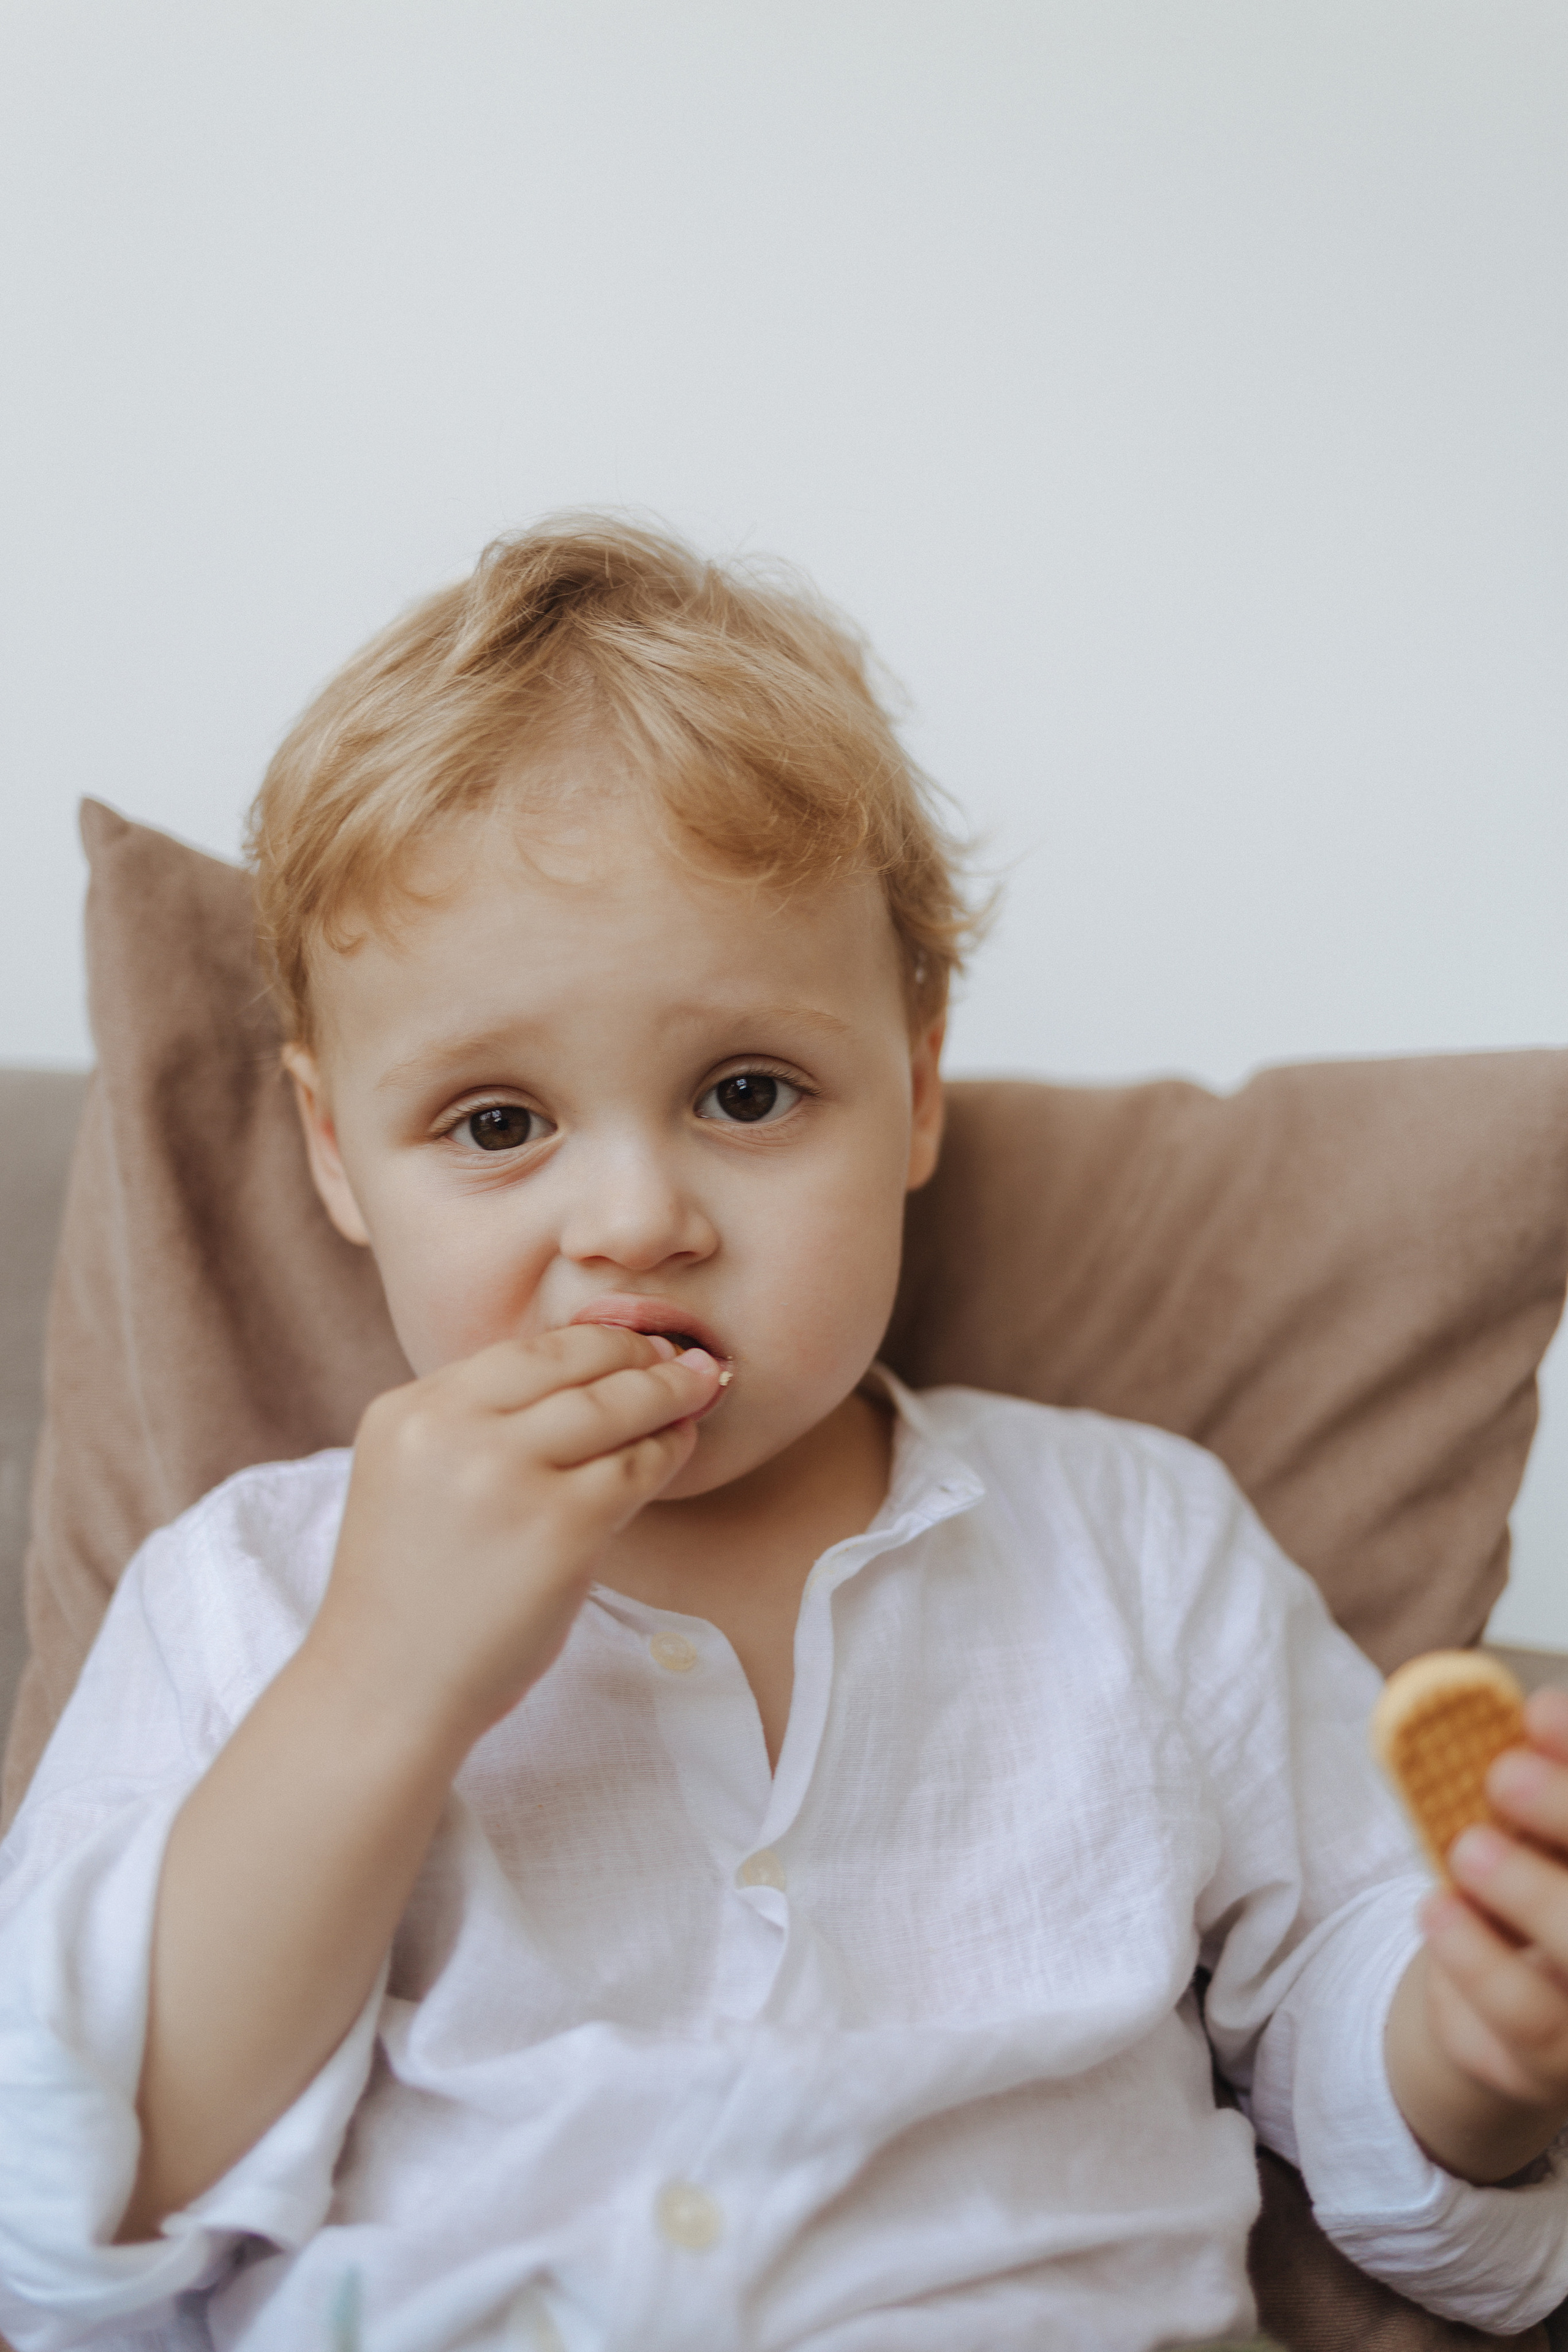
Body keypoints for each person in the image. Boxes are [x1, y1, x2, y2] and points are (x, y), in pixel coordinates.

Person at [2, 519, 1568, 2352]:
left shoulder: (1135, 1543)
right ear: (339, 1155)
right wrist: (379, 1680)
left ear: (912, 1090)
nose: (637, 1216)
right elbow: (74, 2215)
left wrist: (1477, 2050)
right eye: (497, 1123)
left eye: (748, 1093)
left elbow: (1365, 2045)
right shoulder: (250, 1588)